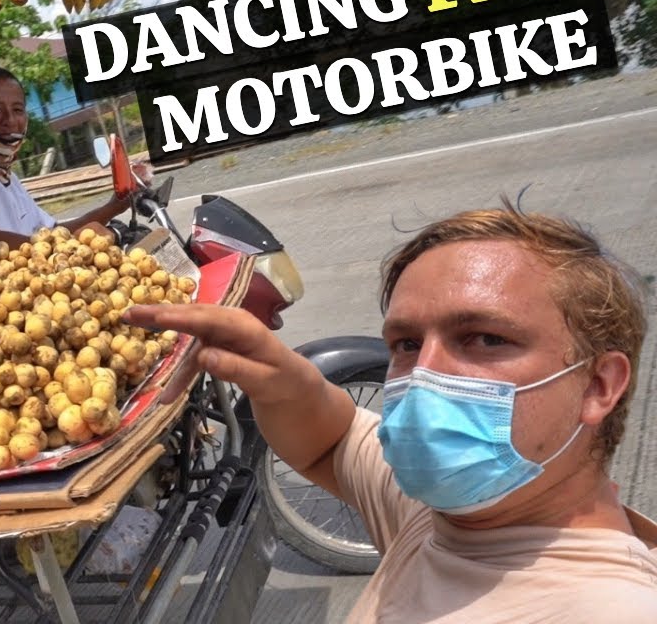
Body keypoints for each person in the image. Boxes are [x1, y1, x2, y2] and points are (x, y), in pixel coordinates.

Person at [124, 201, 657, 622]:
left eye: (486, 338)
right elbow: (329, 442)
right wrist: (269, 370)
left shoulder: (612, 609)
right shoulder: (440, 514)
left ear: (599, 385)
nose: (425, 375)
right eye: (406, 344)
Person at [0, 67, 148, 267]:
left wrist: (114, 206)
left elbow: (54, 233)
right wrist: (59, 250)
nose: (9, 120)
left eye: (18, 110)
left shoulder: (2, 175)